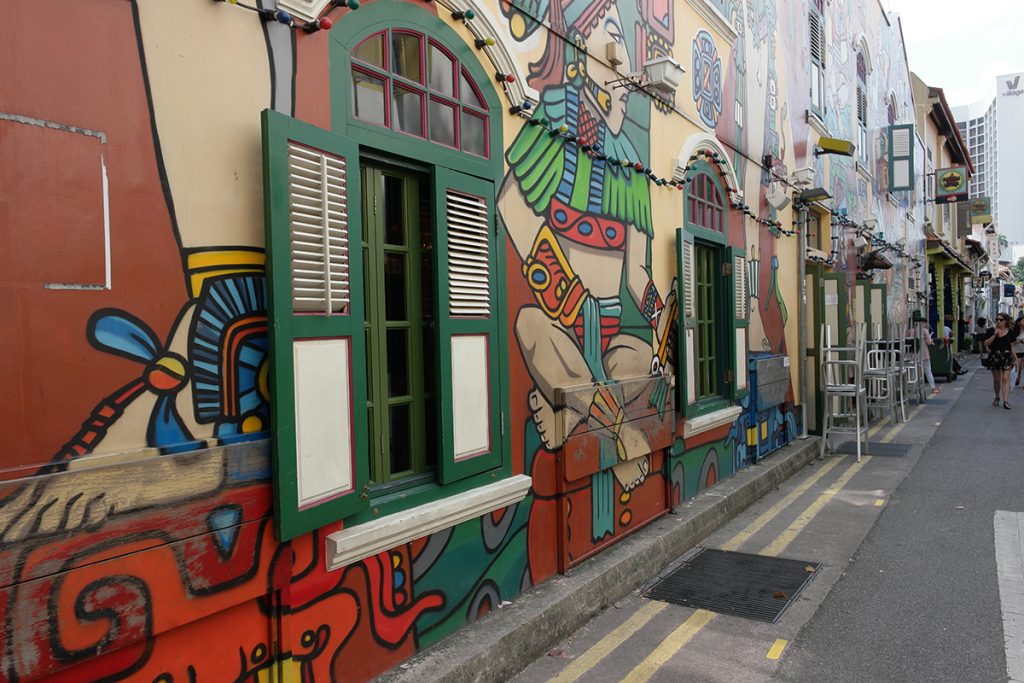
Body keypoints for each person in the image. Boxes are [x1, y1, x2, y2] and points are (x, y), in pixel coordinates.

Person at [985, 314, 1016, 409]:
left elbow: (1012, 346)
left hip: (1006, 356)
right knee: (997, 380)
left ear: (1006, 321)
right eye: (997, 319)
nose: (998, 321)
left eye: (1001, 320)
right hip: (995, 356)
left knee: (1006, 378)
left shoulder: (1010, 332)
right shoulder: (991, 331)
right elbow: (986, 343)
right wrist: (995, 335)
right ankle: (997, 397)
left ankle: (1005, 401)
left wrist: (1015, 358)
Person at [1013, 316, 1024, 387]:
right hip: (1018, 351)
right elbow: (1011, 342)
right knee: (1019, 367)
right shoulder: (1015, 331)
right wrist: (1018, 341)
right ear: (1018, 323)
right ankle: (1018, 377)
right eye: (1023, 321)